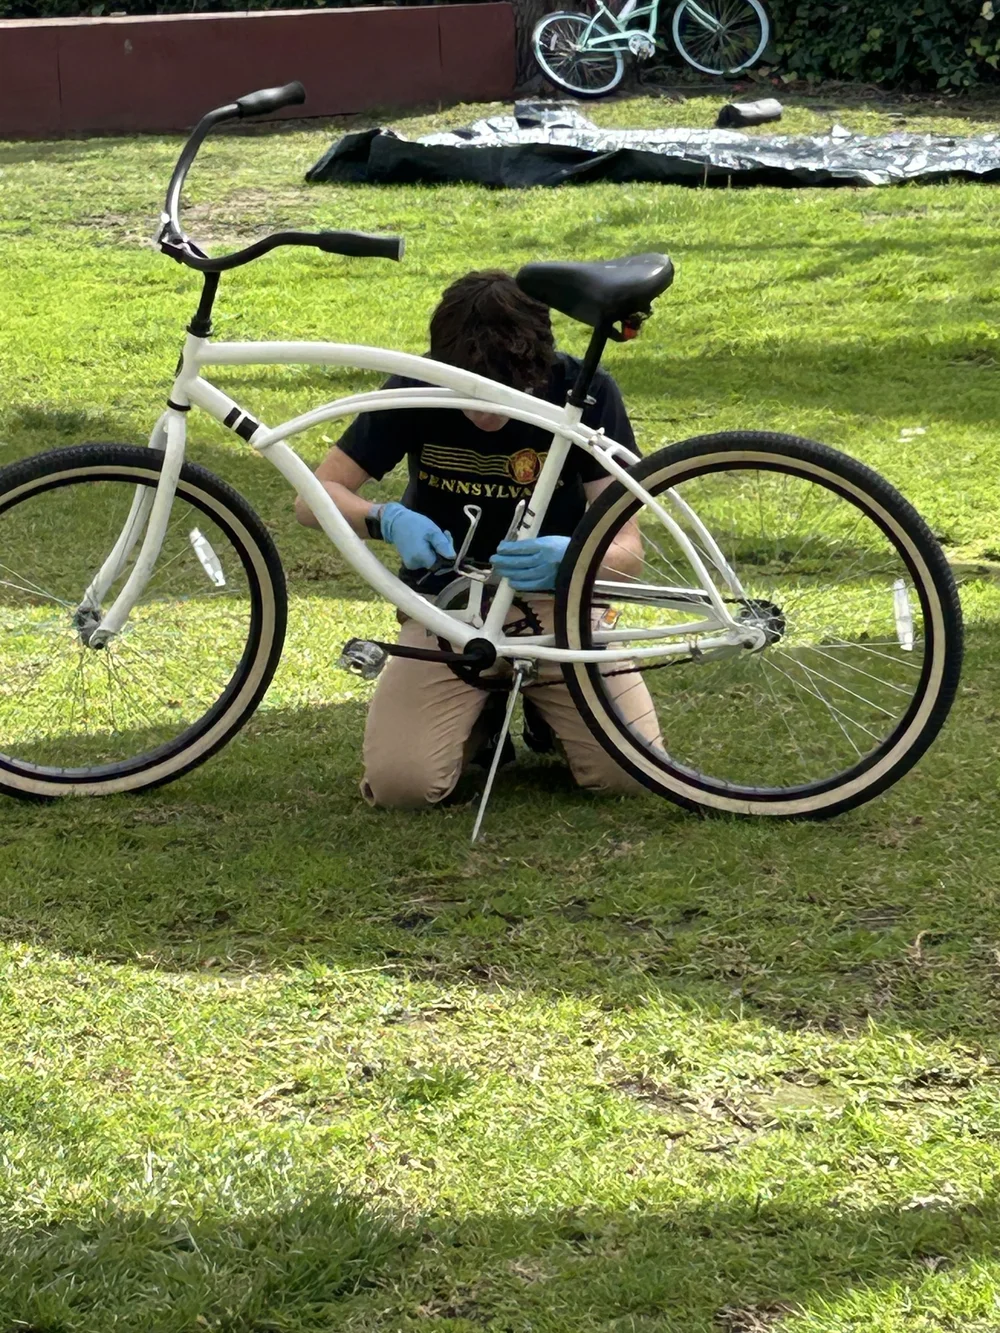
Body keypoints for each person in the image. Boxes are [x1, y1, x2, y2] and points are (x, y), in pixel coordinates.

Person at [295, 269, 660, 808]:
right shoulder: (415, 386)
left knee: (629, 775)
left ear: (537, 370)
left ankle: (543, 706)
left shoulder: (583, 389)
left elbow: (629, 551)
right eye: (468, 390)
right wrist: (384, 518)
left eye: (504, 393)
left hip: (556, 609)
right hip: (448, 609)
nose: (485, 414)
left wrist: (574, 558)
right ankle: (483, 714)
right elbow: (312, 499)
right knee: (402, 787)